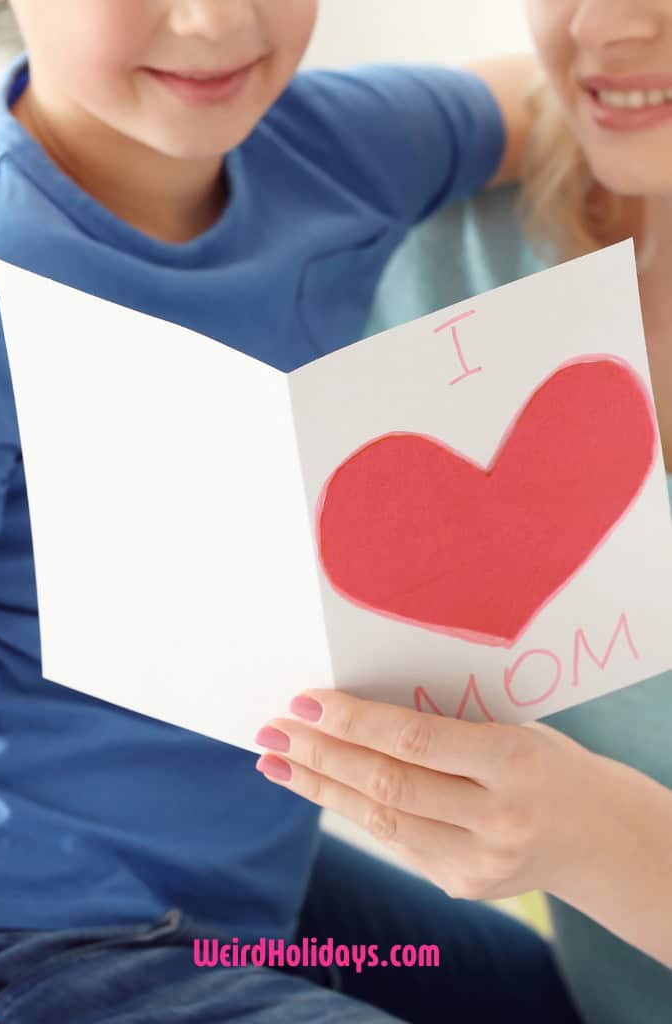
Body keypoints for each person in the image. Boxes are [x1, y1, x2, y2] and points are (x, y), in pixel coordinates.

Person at [0, 2, 589, 1023]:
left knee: (550, 1000)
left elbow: (573, 100)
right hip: (40, 938)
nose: (215, 18)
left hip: (245, 902)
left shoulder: (333, 146)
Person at [254, 3, 672, 1024]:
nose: (605, 28)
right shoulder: (475, 228)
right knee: (133, 909)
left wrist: (596, 835)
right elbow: (182, 122)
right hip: (577, 999)